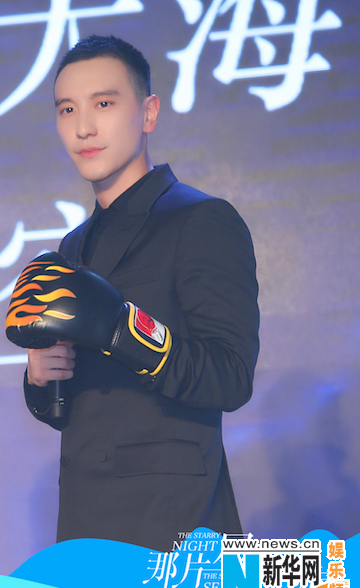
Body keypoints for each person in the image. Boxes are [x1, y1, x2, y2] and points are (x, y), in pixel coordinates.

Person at [17, 35, 259, 551]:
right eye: (67, 109)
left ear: (148, 113)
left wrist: (123, 330)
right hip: (85, 525)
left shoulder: (201, 219)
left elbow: (231, 377)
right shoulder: (73, 245)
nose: (84, 127)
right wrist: (40, 378)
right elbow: (80, 408)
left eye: (104, 104)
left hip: (173, 529)